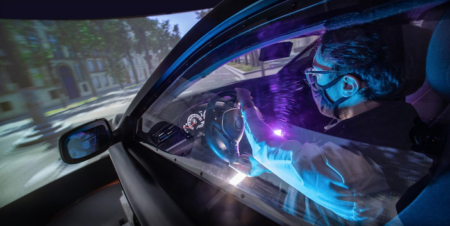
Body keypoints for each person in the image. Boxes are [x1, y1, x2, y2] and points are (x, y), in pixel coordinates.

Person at [234, 24, 432, 225]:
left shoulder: (352, 171)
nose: (311, 83)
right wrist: (268, 167)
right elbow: (310, 172)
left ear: (348, 85)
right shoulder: (399, 120)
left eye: (316, 75)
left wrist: (247, 105)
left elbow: (266, 148)